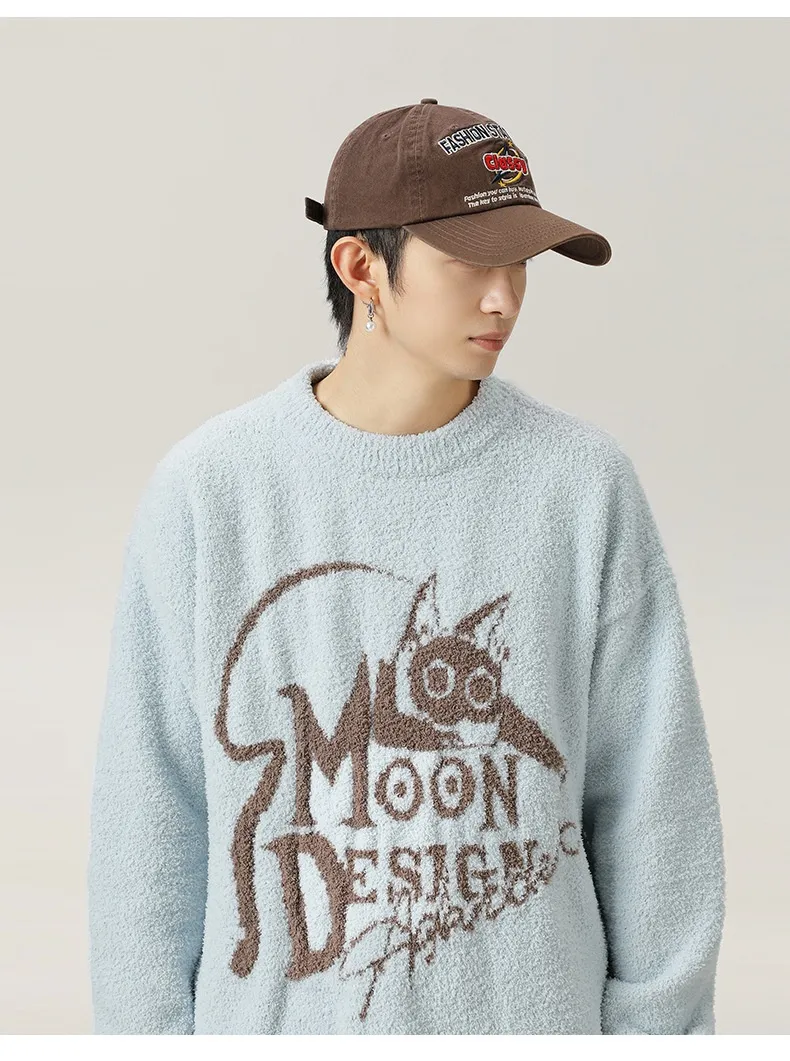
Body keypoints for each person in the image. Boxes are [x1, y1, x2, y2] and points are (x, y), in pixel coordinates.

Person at [86, 99, 726, 1035]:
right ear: (361, 268)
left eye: (520, 261)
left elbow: (656, 804)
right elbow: (149, 822)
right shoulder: (210, 493)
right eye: (469, 262)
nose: (505, 297)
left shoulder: (581, 486)